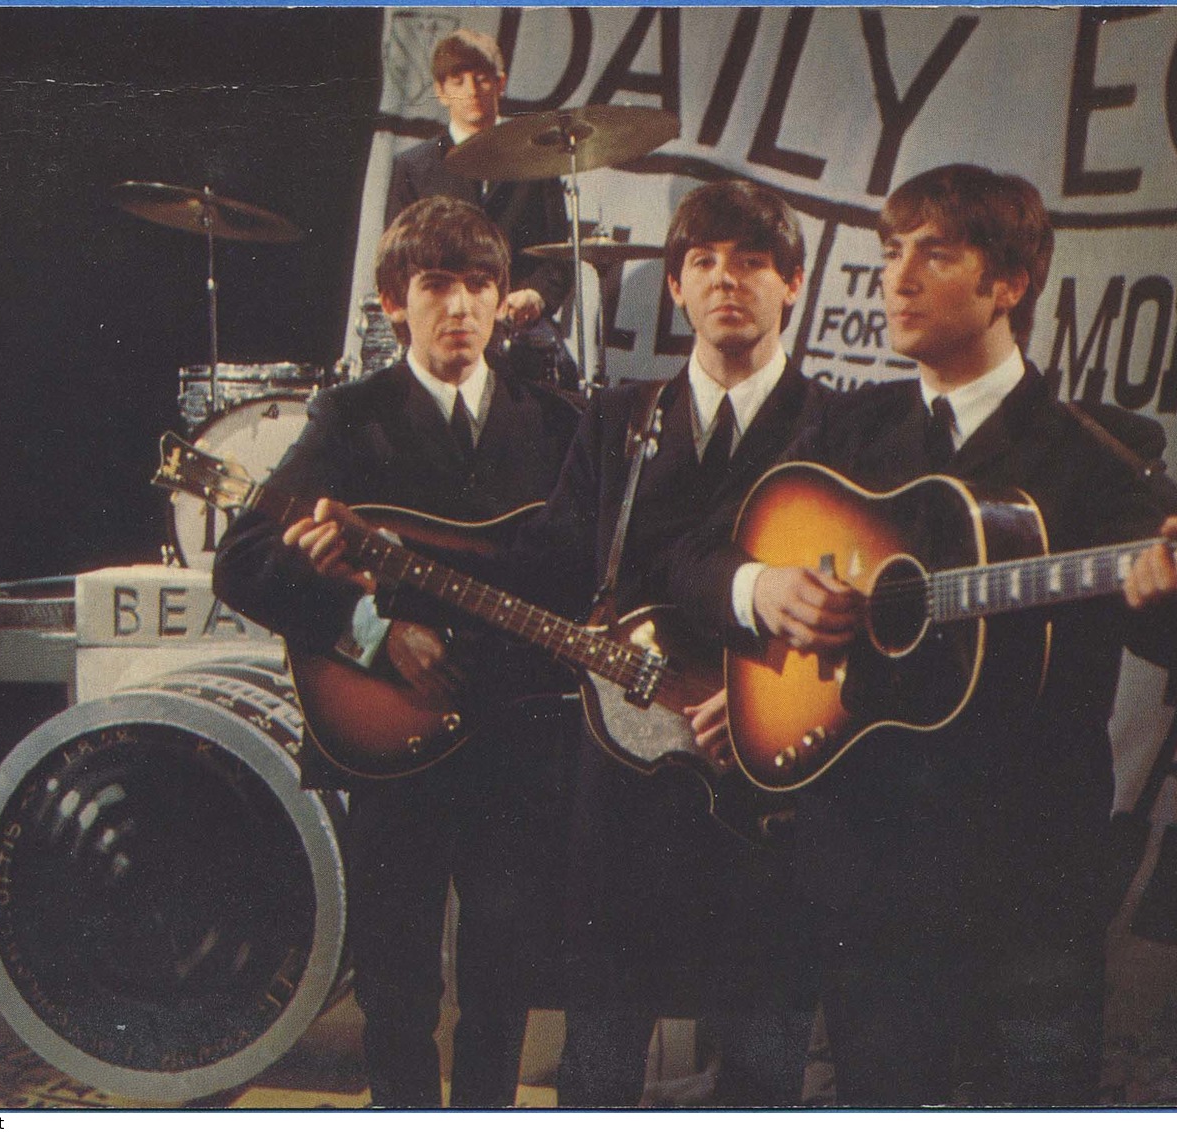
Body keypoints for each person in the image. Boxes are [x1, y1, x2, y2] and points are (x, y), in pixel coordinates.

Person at [671, 164, 1177, 1106]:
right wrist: (766, 596)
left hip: (1026, 872)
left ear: (1007, 283)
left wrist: (1171, 591)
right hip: (867, 866)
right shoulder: (845, 427)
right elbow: (695, 556)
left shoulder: (1101, 446)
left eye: (935, 253)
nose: (898, 277)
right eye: (890, 253)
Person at [212, 196, 582, 1108]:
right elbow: (244, 562)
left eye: (477, 285)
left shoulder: (561, 424)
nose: (459, 305)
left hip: (516, 734)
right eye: (435, 285)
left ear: (505, 301)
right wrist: (373, 632)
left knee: (503, 965)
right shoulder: (351, 418)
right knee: (397, 972)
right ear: (391, 303)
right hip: (390, 733)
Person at [501, 180, 831, 1106]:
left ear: (793, 282)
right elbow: (548, 565)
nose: (727, 280)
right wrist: (399, 566)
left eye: (752, 262)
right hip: (624, 798)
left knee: (763, 1065)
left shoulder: (839, 429)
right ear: (676, 289)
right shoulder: (616, 421)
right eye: (703, 263)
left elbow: (858, 605)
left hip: (771, 789)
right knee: (597, 1060)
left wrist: (773, 701)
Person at [384, 29, 573, 381]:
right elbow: (396, 263)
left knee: (562, 383)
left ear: (500, 84)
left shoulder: (536, 162)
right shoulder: (413, 168)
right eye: (458, 81)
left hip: (518, 330)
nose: (472, 90)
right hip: (441, 326)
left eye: (482, 79)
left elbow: (562, 255)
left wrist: (537, 295)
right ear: (441, 91)